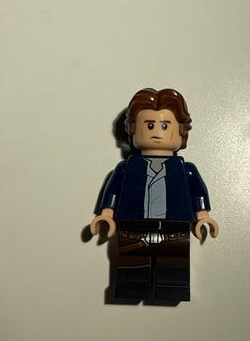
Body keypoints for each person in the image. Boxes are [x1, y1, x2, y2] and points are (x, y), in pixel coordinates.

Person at [90, 88, 218, 302]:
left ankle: (171, 290)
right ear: (133, 129)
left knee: (173, 265)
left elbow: (198, 192)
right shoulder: (126, 168)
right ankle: (133, 289)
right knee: (132, 265)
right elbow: (113, 190)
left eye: (165, 126)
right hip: (133, 226)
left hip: (174, 228)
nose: (157, 132)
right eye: (149, 125)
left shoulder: (185, 170)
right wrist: (106, 215)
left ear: (181, 131)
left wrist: (203, 217)